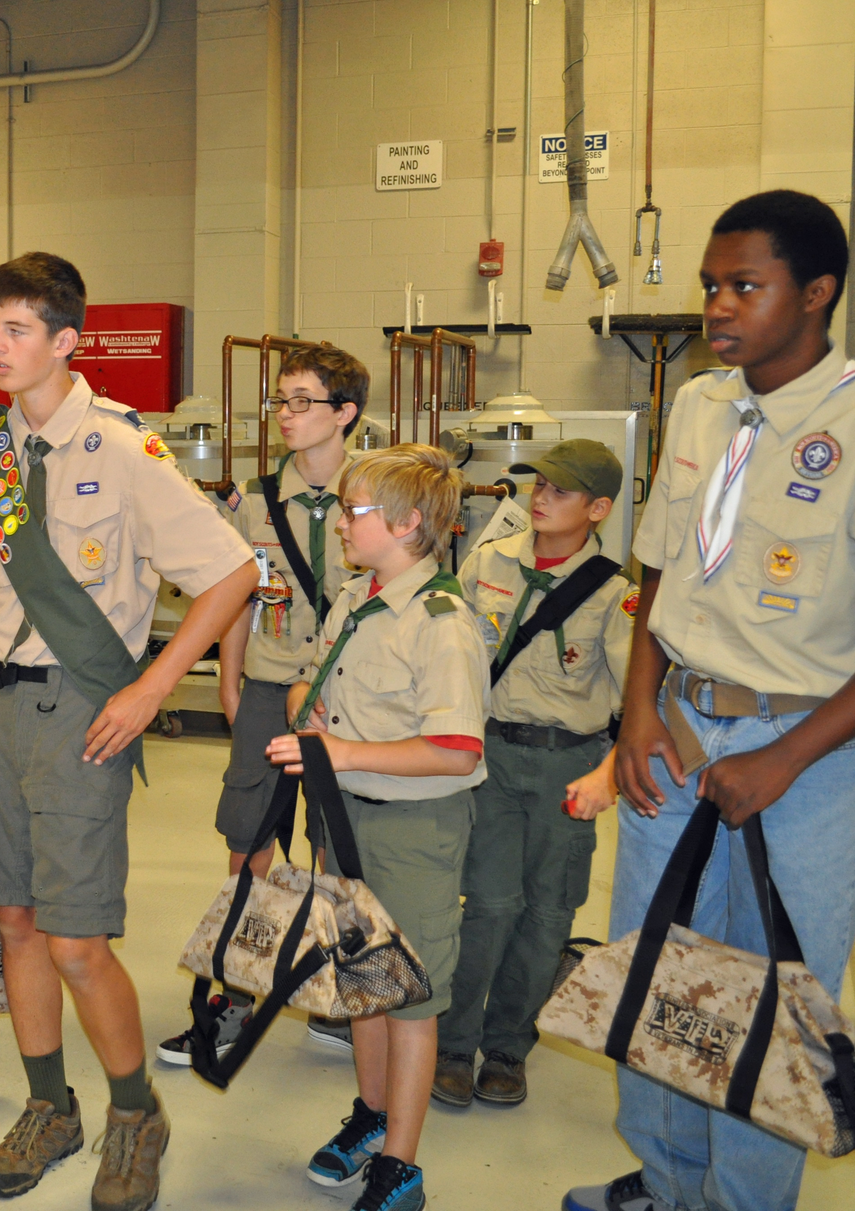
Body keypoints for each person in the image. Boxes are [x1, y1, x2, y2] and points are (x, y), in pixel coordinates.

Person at [564, 192, 855, 1211]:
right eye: (710, 285)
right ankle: (666, 1178)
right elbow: (660, 575)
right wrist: (639, 713)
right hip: (678, 730)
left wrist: (783, 759)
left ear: (817, 293)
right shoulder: (703, 404)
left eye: (745, 285)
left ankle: (739, 1203)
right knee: (665, 972)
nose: (718, 307)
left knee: (772, 991)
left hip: (804, 751)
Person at [0, 252, 256, 1211]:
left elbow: (232, 572)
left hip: (85, 710)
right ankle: (50, 1106)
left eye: (16, 329)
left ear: (67, 341)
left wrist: (154, 688)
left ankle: (133, 1114)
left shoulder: (125, 448)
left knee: (77, 940)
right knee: (15, 920)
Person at [267, 443, 488, 1211]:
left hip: (413, 828)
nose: (341, 525)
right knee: (363, 981)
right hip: (345, 816)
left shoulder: (441, 620)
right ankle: (370, 1116)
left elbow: (457, 750)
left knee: (410, 995)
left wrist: (345, 747)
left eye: (354, 512)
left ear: (407, 523)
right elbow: (310, 675)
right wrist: (306, 705)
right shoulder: (355, 599)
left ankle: (401, 1161)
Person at [155, 343, 369, 1067]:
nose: (286, 414)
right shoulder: (255, 499)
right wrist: (229, 676)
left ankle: (336, 987)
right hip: (270, 690)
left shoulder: (377, 495)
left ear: (346, 413)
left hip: (351, 699)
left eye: (303, 400)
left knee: (336, 848)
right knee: (247, 841)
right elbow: (240, 590)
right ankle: (238, 991)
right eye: (281, 400)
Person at [433, 440, 634, 1109]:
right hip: (491, 753)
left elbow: (639, 700)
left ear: (599, 508)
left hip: (567, 763)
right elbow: (451, 649)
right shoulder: (488, 562)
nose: (539, 497)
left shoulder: (613, 591)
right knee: (487, 904)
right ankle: (455, 1044)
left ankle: (509, 1047)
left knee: (548, 912)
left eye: (560, 489)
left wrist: (608, 773)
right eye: (537, 484)